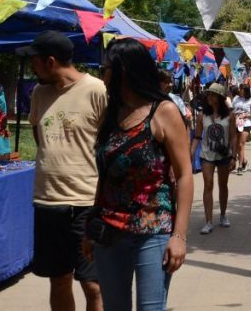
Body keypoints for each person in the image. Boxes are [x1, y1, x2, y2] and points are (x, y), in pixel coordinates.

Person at [84, 39, 193, 311]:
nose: (102, 75)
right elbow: (106, 177)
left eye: (106, 68)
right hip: (109, 229)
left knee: (151, 308)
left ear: (123, 70)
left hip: (153, 229)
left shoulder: (164, 111)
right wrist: (91, 227)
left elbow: (184, 175)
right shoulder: (111, 114)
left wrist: (179, 236)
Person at [18, 31, 106, 311]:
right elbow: (40, 135)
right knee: (58, 279)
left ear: (51, 61)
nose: (32, 67)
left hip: (86, 204)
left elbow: (109, 145)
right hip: (47, 203)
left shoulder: (97, 90)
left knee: (93, 285)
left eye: (35, 61)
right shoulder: (39, 93)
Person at [191, 82, 237, 234]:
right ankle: (208, 221)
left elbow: (233, 136)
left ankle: (223, 215)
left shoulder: (230, 115)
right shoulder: (202, 115)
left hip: (224, 155)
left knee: (223, 185)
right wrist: (190, 153)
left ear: (219, 97)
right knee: (208, 184)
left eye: (212, 94)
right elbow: (197, 137)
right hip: (207, 155)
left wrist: (234, 157)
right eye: (208, 95)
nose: (209, 97)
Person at [232, 84, 251, 174]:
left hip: (246, 124)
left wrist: (246, 115)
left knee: (241, 145)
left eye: (241, 89)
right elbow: (232, 110)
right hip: (236, 123)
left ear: (245, 90)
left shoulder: (250, 100)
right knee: (236, 146)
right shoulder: (235, 99)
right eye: (239, 89)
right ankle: (244, 162)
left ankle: (240, 166)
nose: (239, 90)